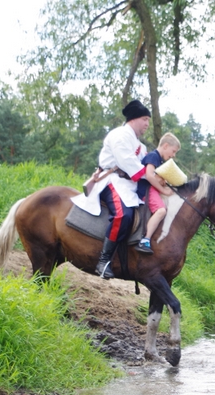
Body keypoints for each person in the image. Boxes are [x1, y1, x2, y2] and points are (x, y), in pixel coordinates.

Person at [71, 99, 151, 279]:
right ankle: (103, 260)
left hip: (130, 186)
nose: (147, 124)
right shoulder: (119, 135)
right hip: (112, 180)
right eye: (145, 119)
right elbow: (127, 162)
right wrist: (151, 175)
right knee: (123, 215)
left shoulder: (141, 146)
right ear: (134, 119)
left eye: (148, 120)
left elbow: (145, 165)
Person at [135, 132, 179, 254]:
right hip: (147, 190)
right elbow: (149, 175)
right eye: (173, 151)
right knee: (161, 211)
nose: (173, 155)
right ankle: (145, 239)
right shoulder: (153, 156)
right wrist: (163, 190)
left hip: (152, 189)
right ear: (165, 146)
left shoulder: (159, 160)